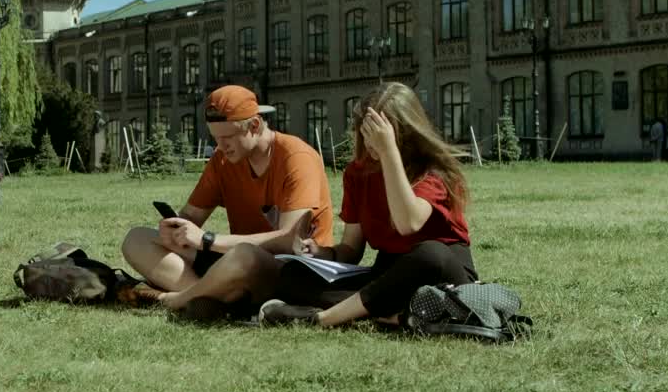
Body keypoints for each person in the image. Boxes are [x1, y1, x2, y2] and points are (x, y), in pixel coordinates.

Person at [259, 82, 476, 328]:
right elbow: (351, 249)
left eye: (379, 132)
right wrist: (322, 253)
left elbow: (408, 223)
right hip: (386, 276)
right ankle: (398, 316)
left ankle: (321, 318)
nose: (371, 142)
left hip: (440, 274)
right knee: (292, 276)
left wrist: (388, 152)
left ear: (405, 131)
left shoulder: (433, 170)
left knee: (430, 252)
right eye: (366, 131)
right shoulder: (358, 173)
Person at [120, 85, 334, 319]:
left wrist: (208, 240)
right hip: (232, 263)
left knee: (243, 256)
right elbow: (191, 215)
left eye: (228, 138)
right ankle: (209, 298)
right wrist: (177, 228)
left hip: (288, 271)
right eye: (215, 138)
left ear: (254, 126)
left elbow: (288, 240)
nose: (220, 146)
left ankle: (177, 300)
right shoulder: (223, 160)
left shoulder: (296, 158)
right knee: (136, 239)